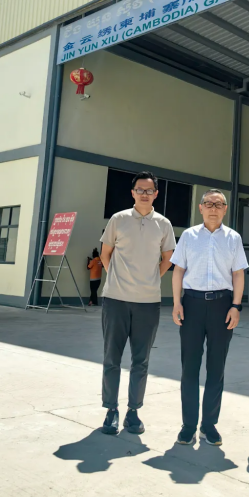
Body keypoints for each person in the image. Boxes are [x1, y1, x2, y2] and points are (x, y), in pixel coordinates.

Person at [99, 171, 176, 436]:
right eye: (140, 190)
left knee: (141, 361)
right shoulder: (118, 219)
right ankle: (111, 410)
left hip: (148, 302)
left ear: (156, 194)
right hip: (115, 300)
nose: (144, 194)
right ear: (132, 193)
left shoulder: (163, 224)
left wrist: (150, 278)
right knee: (112, 358)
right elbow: (105, 253)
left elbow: (168, 258)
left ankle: (133, 412)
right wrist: (117, 278)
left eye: (149, 190)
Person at [171, 189, 248, 447]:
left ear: (225, 209)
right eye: (208, 203)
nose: (213, 208)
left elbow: (238, 274)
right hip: (191, 305)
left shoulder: (233, 238)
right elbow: (178, 270)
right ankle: (188, 426)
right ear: (200, 208)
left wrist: (236, 306)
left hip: (222, 306)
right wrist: (177, 302)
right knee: (189, 368)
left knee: (216, 368)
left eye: (218, 204)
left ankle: (209, 425)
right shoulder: (189, 236)